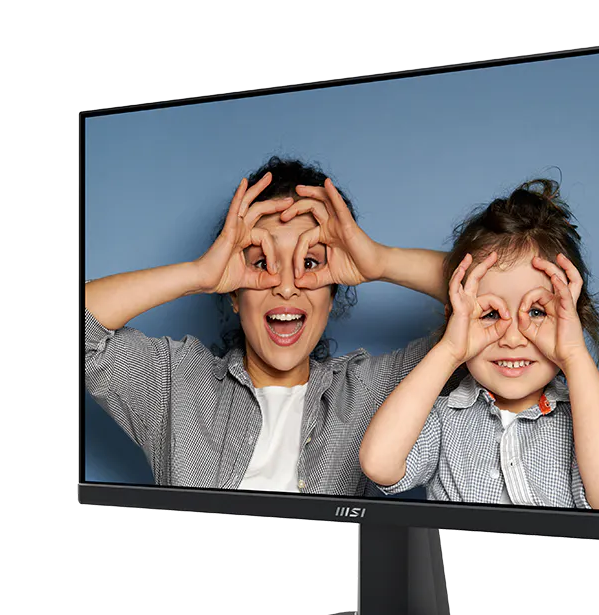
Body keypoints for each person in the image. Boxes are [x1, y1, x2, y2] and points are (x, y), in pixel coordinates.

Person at [85, 156, 447, 496]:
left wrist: (379, 262)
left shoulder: (371, 392)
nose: (286, 286)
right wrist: (198, 275)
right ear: (232, 293)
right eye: (261, 264)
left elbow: (491, 302)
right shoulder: (176, 382)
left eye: (309, 262)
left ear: (333, 293)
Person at [359, 178, 599, 510]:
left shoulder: (585, 421)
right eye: (489, 314)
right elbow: (378, 463)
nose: (512, 338)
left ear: (572, 321)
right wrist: (450, 349)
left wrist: (573, 354)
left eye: (537, 311)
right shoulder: (445, 419)